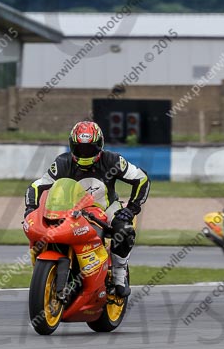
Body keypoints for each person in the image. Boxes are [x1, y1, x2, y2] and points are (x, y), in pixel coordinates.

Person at [24, 120, 150, 297]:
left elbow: (141, 178)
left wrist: (132, 208)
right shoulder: (62, 162)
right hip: (72, 209)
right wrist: (31, 208)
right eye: (80, 148)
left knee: (125, 229)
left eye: (89, 149)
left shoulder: (113, 160)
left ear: (99, 146)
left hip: (106, 207)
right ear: (72, 146)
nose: (84, 153)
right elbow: (38, 186)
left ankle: (119, 275)